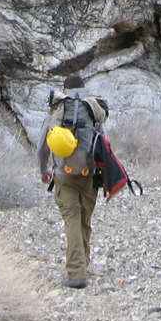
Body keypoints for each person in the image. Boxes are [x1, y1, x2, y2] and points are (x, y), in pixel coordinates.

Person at [37, 74, 108, 289]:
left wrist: (44, 170)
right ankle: (83, 264)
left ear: (65, 89)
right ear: (83, 88)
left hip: (63, 175)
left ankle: (77, 273)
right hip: (88, 174)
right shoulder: (92, 110)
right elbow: (104, 144)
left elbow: (42, 147)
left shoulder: (57, 110)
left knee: (72, 220)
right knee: (85, 220)